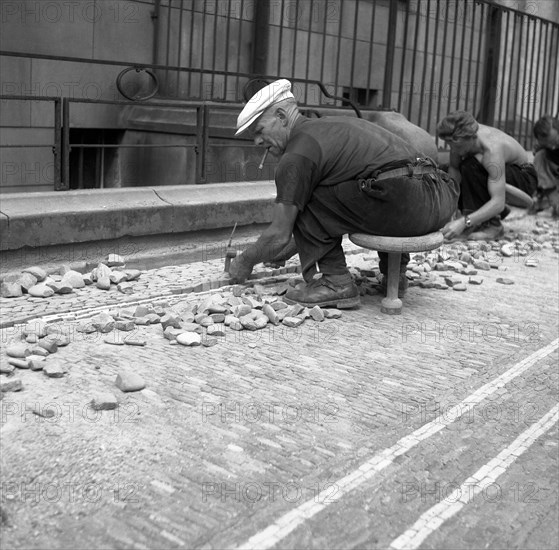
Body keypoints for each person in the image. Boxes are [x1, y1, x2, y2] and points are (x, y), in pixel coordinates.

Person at [229, 79, 459, 308]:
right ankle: (395, 275)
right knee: (374, 181)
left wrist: (245, 261)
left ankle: (335, 283)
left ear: (281, 116)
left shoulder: (296, 157)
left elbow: (280, 233)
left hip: (405, 203)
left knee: (308, 197)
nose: (257, 141)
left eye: (259, 131)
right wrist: (284, 252)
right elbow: (337, 211)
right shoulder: (333, 126)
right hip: (440, 197)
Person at [437, 111, 538, 241]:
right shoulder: (461, 139)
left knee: (471, 166)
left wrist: (464, 222)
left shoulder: (491, 151)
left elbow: (498, 201)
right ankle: (476, 217)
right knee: (448, 169)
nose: (452, 149)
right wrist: (453, 210)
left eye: (454, 144)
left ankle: (493, 225)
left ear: (470, 137)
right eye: (448, 143)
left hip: (524, 178)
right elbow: (454, 169)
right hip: (499, 174)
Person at [531, 115, 559, 216]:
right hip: (553, 177)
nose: (553, 147)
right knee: (540, 157)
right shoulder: (541, 150)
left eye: (555, 142)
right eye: (548, 144)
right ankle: (546, 199)